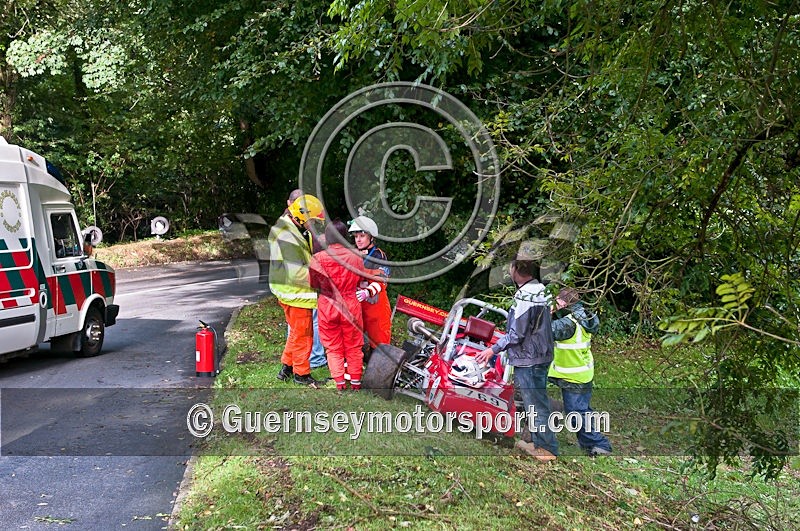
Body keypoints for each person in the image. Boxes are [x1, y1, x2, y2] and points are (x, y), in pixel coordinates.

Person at [476, 259, 558, 462]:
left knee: (534, 404)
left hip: (529, 357)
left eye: (511, 267)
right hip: (542, 353)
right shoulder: (541, 290)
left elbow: (516, 334)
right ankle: (538, 443)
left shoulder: (525, 295)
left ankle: (546, 449)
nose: (509, 270)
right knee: (537, 401)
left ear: (518, 270)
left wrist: (493, 349)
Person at [268, 193, 326, 387]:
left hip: (290, 291)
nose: (314, 224)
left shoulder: (294, 228)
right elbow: (296, 273)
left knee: (295, 332)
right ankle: (301, 374)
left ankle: (286, 367)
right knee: (304, 334)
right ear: (301, 216)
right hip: (295, 293)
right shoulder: (286, 235)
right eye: (312, 220)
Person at [549, 287, 612, 456]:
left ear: (562, 303)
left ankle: (599, 445)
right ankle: (590, 443)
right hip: (581, 371)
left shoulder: (568, 323)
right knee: (581, 410)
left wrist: (547, 313)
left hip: (571, 374)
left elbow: (543, 331)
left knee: (576, 413)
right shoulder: (583, 316)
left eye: (556, 300)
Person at [310, 220, 370, 390]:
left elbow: (313, 283)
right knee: (353, 346)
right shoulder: (356, 256)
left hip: (328, 306)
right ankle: (356, 383)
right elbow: (361, 280)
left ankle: (340, 383)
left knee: (333, 347)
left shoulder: (318, 258)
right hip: (351, 305)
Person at [348, 216, 392, 349]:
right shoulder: (354, 254)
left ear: (371, 237)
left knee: (379, 339)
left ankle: (378, 365)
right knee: (353, 336)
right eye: (356, 237)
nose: (358, 240)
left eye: (362, 236)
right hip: (357, 302)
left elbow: (383, 280)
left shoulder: (379, 256)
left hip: (375, 304)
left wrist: (368, 291)